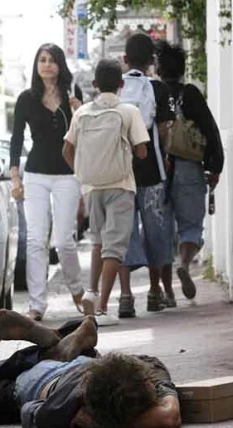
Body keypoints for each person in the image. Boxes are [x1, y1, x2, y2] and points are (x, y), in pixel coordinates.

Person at [0, 310, 182, 428]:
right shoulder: (62, 410)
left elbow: (150, 362)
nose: (154, 384)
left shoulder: (100, 373)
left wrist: (165, 390)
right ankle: (46, 352)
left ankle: (54, 347)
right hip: (38, 381)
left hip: (82, 362)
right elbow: (30, 412)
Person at [62, 59, 149, 326]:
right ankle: (100, 309)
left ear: (95, 84)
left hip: (92, 187)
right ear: (121, 84)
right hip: (121, 186)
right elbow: (142, 150)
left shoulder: (82, 113)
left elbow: (67, 150)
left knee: (99, 242)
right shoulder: (128, 111)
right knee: (114, 248)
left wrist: (82, 174)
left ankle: (91, 291)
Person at [10, 43, 86, 321]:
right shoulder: (26, 99)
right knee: (35, 240)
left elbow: (84, 135)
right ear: (36, 65)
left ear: (59, 65)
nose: (46, 65)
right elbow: (17, 139)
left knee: (65, 241)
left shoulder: (72, 95)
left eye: (52, 60)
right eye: (42, 60)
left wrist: (80, 111)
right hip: (36, 175)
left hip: (67, 175)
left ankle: (77, 290)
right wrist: (15, 177)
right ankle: (37, 304)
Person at [156, 41, 224, 302]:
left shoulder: (154, 93)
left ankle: (166, 292)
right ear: (182, 69)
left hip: (160, 168)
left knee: (161, 233)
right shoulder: (191, 94)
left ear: (159, 69)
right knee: (191, 228)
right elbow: (210, 129)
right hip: (188, 167)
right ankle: (184, 263)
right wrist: (215, 166)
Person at [116, 33, 177, 319]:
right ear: (152, 61)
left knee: (123, 232)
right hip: (152, 169)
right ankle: (154, 292)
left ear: (125, 60)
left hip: (121, 173)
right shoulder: (158, 89)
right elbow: (164, 129)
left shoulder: (115, 87)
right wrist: (164, 153)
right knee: (155, 231)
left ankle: (125, 296)